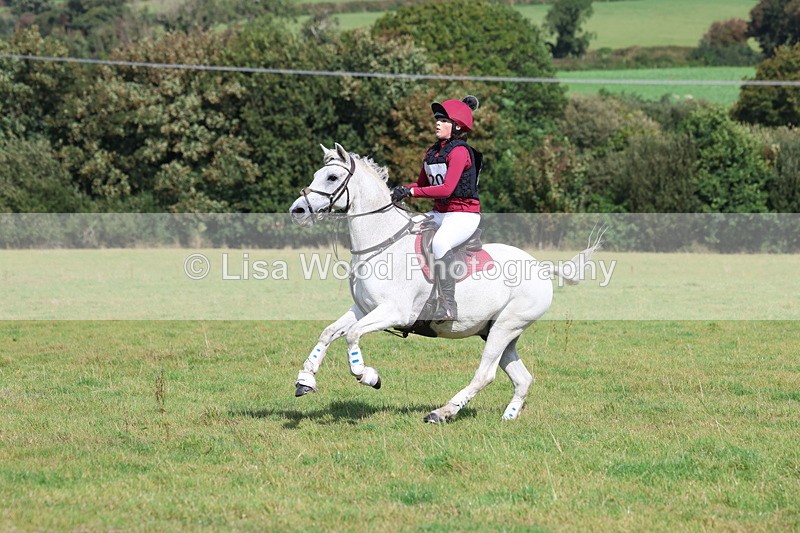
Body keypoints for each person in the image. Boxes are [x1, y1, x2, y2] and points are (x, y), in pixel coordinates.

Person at [391, 95, 482, 321]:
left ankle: (449, 305)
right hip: (440, 213)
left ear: (457, 126)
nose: (437, 123)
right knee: (404, 228)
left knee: (441, 242)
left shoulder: (460, 152)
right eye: (437, 119)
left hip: (463, 215)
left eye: (443, 120)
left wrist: (412, 193)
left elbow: (446, 189)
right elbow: (422, 185)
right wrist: (401, 189)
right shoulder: (432, 152)